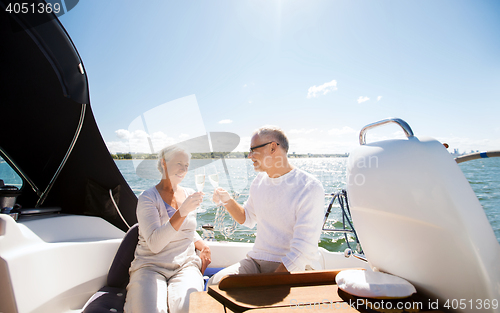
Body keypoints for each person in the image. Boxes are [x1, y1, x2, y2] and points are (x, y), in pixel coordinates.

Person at [207, 125, 324, 286]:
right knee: (216, 283)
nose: (249, 156)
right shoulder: (258, 182)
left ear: (273, 148)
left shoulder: (309, 187)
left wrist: (269, 284)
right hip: (257, 262)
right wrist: (227, 200)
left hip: (295, 267)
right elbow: (247, 218)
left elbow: (301, 251)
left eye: (253, 150)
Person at [124, 146, 211, 313]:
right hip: (150, 266)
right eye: (179, 163)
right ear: (163, 163)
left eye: (186, 165)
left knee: (188, 309)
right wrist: (182, 211)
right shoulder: (147, 198)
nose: (184, 169)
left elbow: (187, 229)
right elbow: (155, 244)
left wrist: (203, 245)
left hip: (185, 265)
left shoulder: (189, 194)